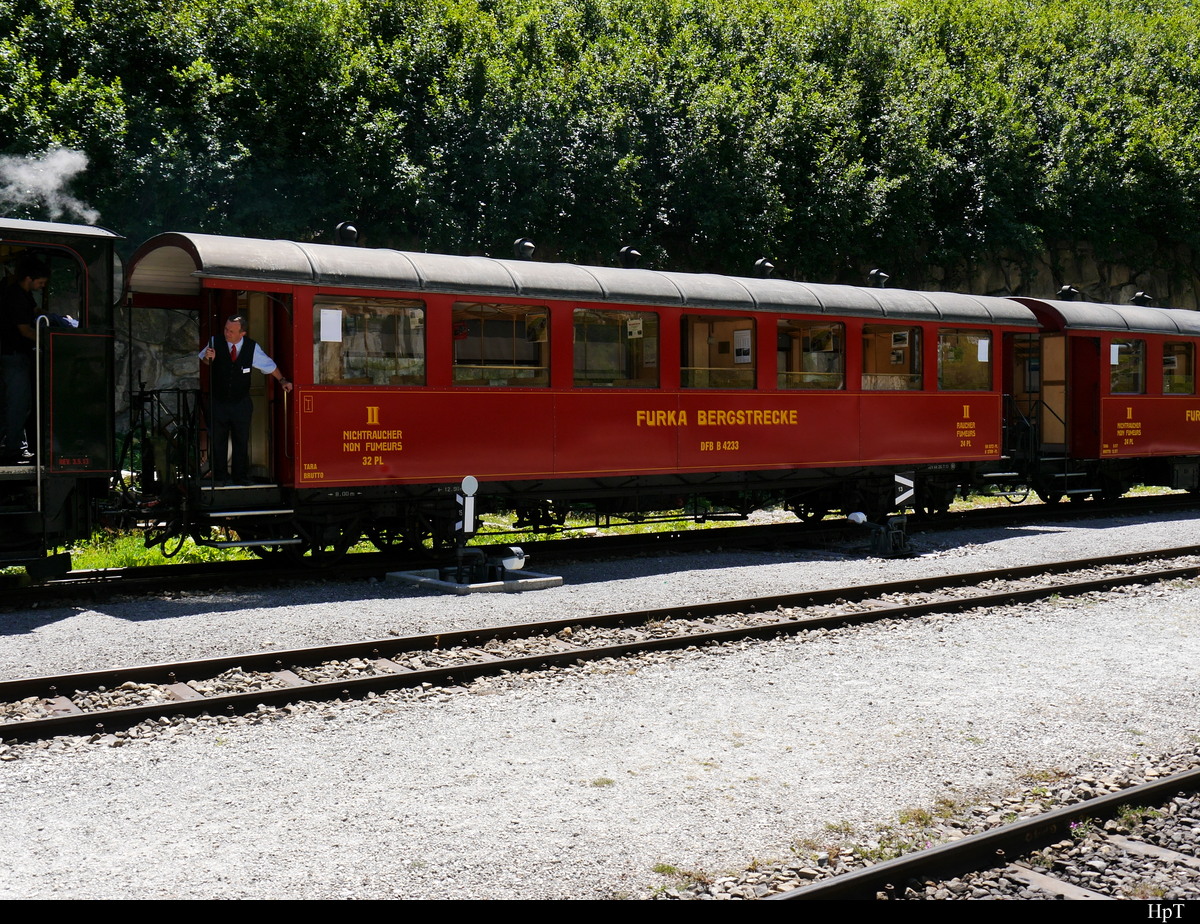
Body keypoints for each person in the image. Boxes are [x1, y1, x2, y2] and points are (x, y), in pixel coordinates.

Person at [199, 315, 292, 485]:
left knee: (241, 439)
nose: (227, 333)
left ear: (242, 333)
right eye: (226, 329)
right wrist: (208, 358)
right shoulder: (215, 341)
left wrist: (282, 380)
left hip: (240, 401)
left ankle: (240, 476)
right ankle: (219, 476)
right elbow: (205, 361)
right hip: (218, 400)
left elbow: (268, 365)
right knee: (218, 439)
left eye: (231, 331)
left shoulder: (251, 347)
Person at [1, 256, 50, 464]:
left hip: (13, 355)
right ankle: (12, 448)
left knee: (14, 403)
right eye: (40, 283)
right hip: (13, 356)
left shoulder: (23, 294)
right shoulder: (16, 297)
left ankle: (14, 445)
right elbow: (25, 330)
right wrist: (50, 338)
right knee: (18, 404)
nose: (41, 287)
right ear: (28, 278)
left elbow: (32, 312)